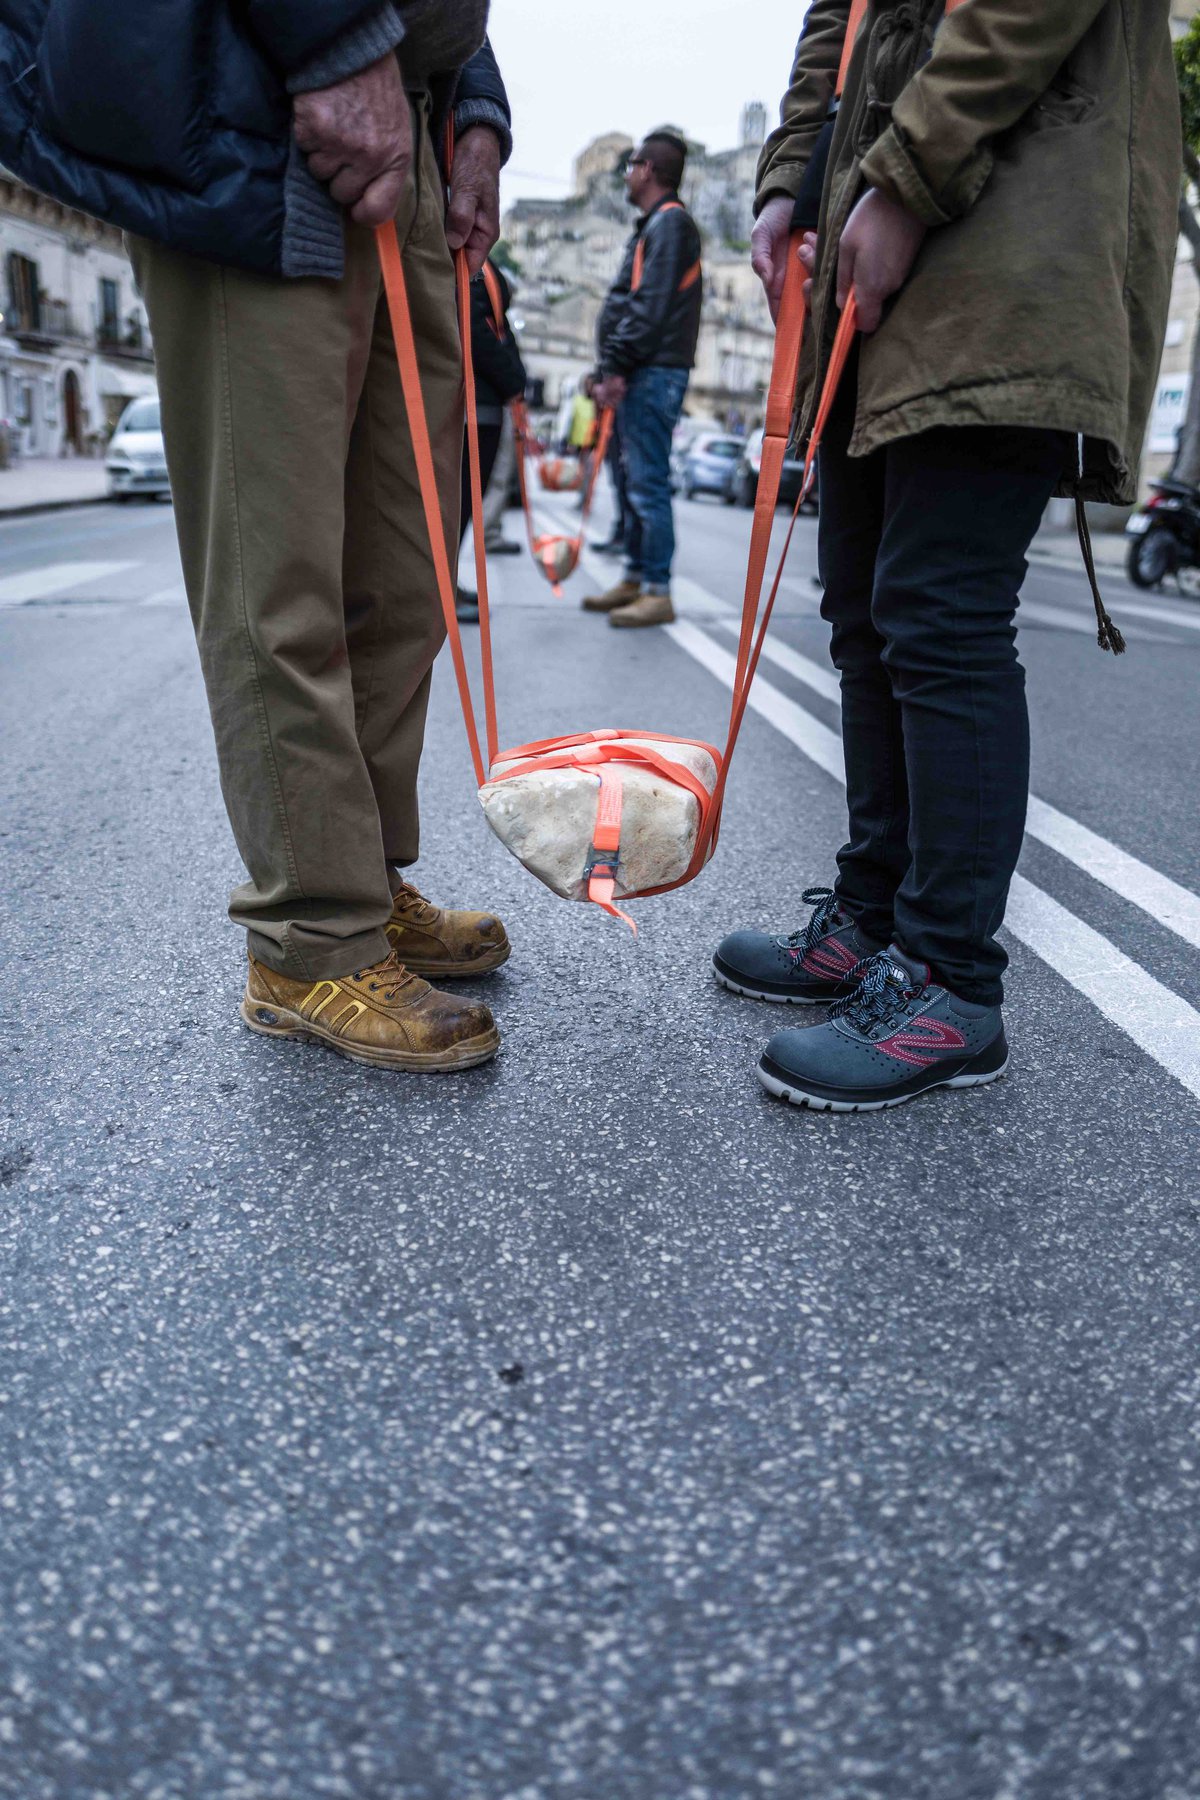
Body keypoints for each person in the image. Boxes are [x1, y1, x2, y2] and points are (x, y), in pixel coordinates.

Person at [0, 1, 514, 1075]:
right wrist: (330, 35)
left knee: (406, 567)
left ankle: (363, 884)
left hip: (401, 116)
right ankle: (311, 940)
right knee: (277, 572)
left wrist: (475, 106)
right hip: (254, 89)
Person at [714, 0, 1179, 1112]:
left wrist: (908, 172)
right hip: (887, 223)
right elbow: (845, 19)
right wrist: (795, 175)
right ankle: (875, 920)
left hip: (1008, 220)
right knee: (867, 605)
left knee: (940, 609)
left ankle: (951, 987)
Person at [586, 131, 703, 628]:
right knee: (637, 480)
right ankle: (637, 576)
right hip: (645, 369)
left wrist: (614, 367)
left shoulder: (670, 225)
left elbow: (648, 307)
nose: (627, 174)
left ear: (647, 170)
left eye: (631, 165)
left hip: (652, 372)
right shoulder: (659, 224)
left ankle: (657, 589)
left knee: (649, 482)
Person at [456, 257, 527, 624]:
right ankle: (439, 586)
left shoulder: (479, 263)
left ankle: (443, 580)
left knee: (463, 501)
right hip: (473, 403)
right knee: (459, 500)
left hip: (477, 401)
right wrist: (514, 379)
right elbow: (476, 328)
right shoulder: (473, 264)